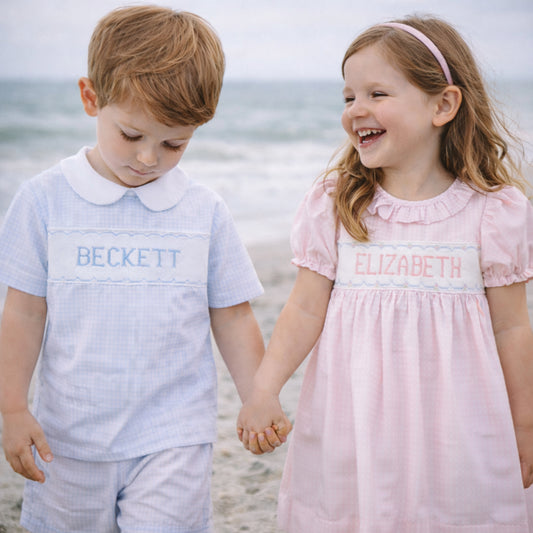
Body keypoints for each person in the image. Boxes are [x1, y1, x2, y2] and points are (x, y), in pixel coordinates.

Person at [237, 14, 533, 532]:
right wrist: (263, 389)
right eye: (348, 97)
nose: (357, 111)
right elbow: (305, 307)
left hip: (458, 432)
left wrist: (526, 426)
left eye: (377, 93)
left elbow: (512, 328)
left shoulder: (492, 214)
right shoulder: (337, 206)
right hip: (354, 426)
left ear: (443, 104)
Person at [0, 6, 285, 532]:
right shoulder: (44, 201)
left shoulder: (203, 211)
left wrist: (259, 395)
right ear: (91, 98)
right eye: (131, 135)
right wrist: (13, 408)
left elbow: (233, 316)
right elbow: (23, 313)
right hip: (67, 439)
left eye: (174, 143)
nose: (149, 159)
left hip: (172, 435)